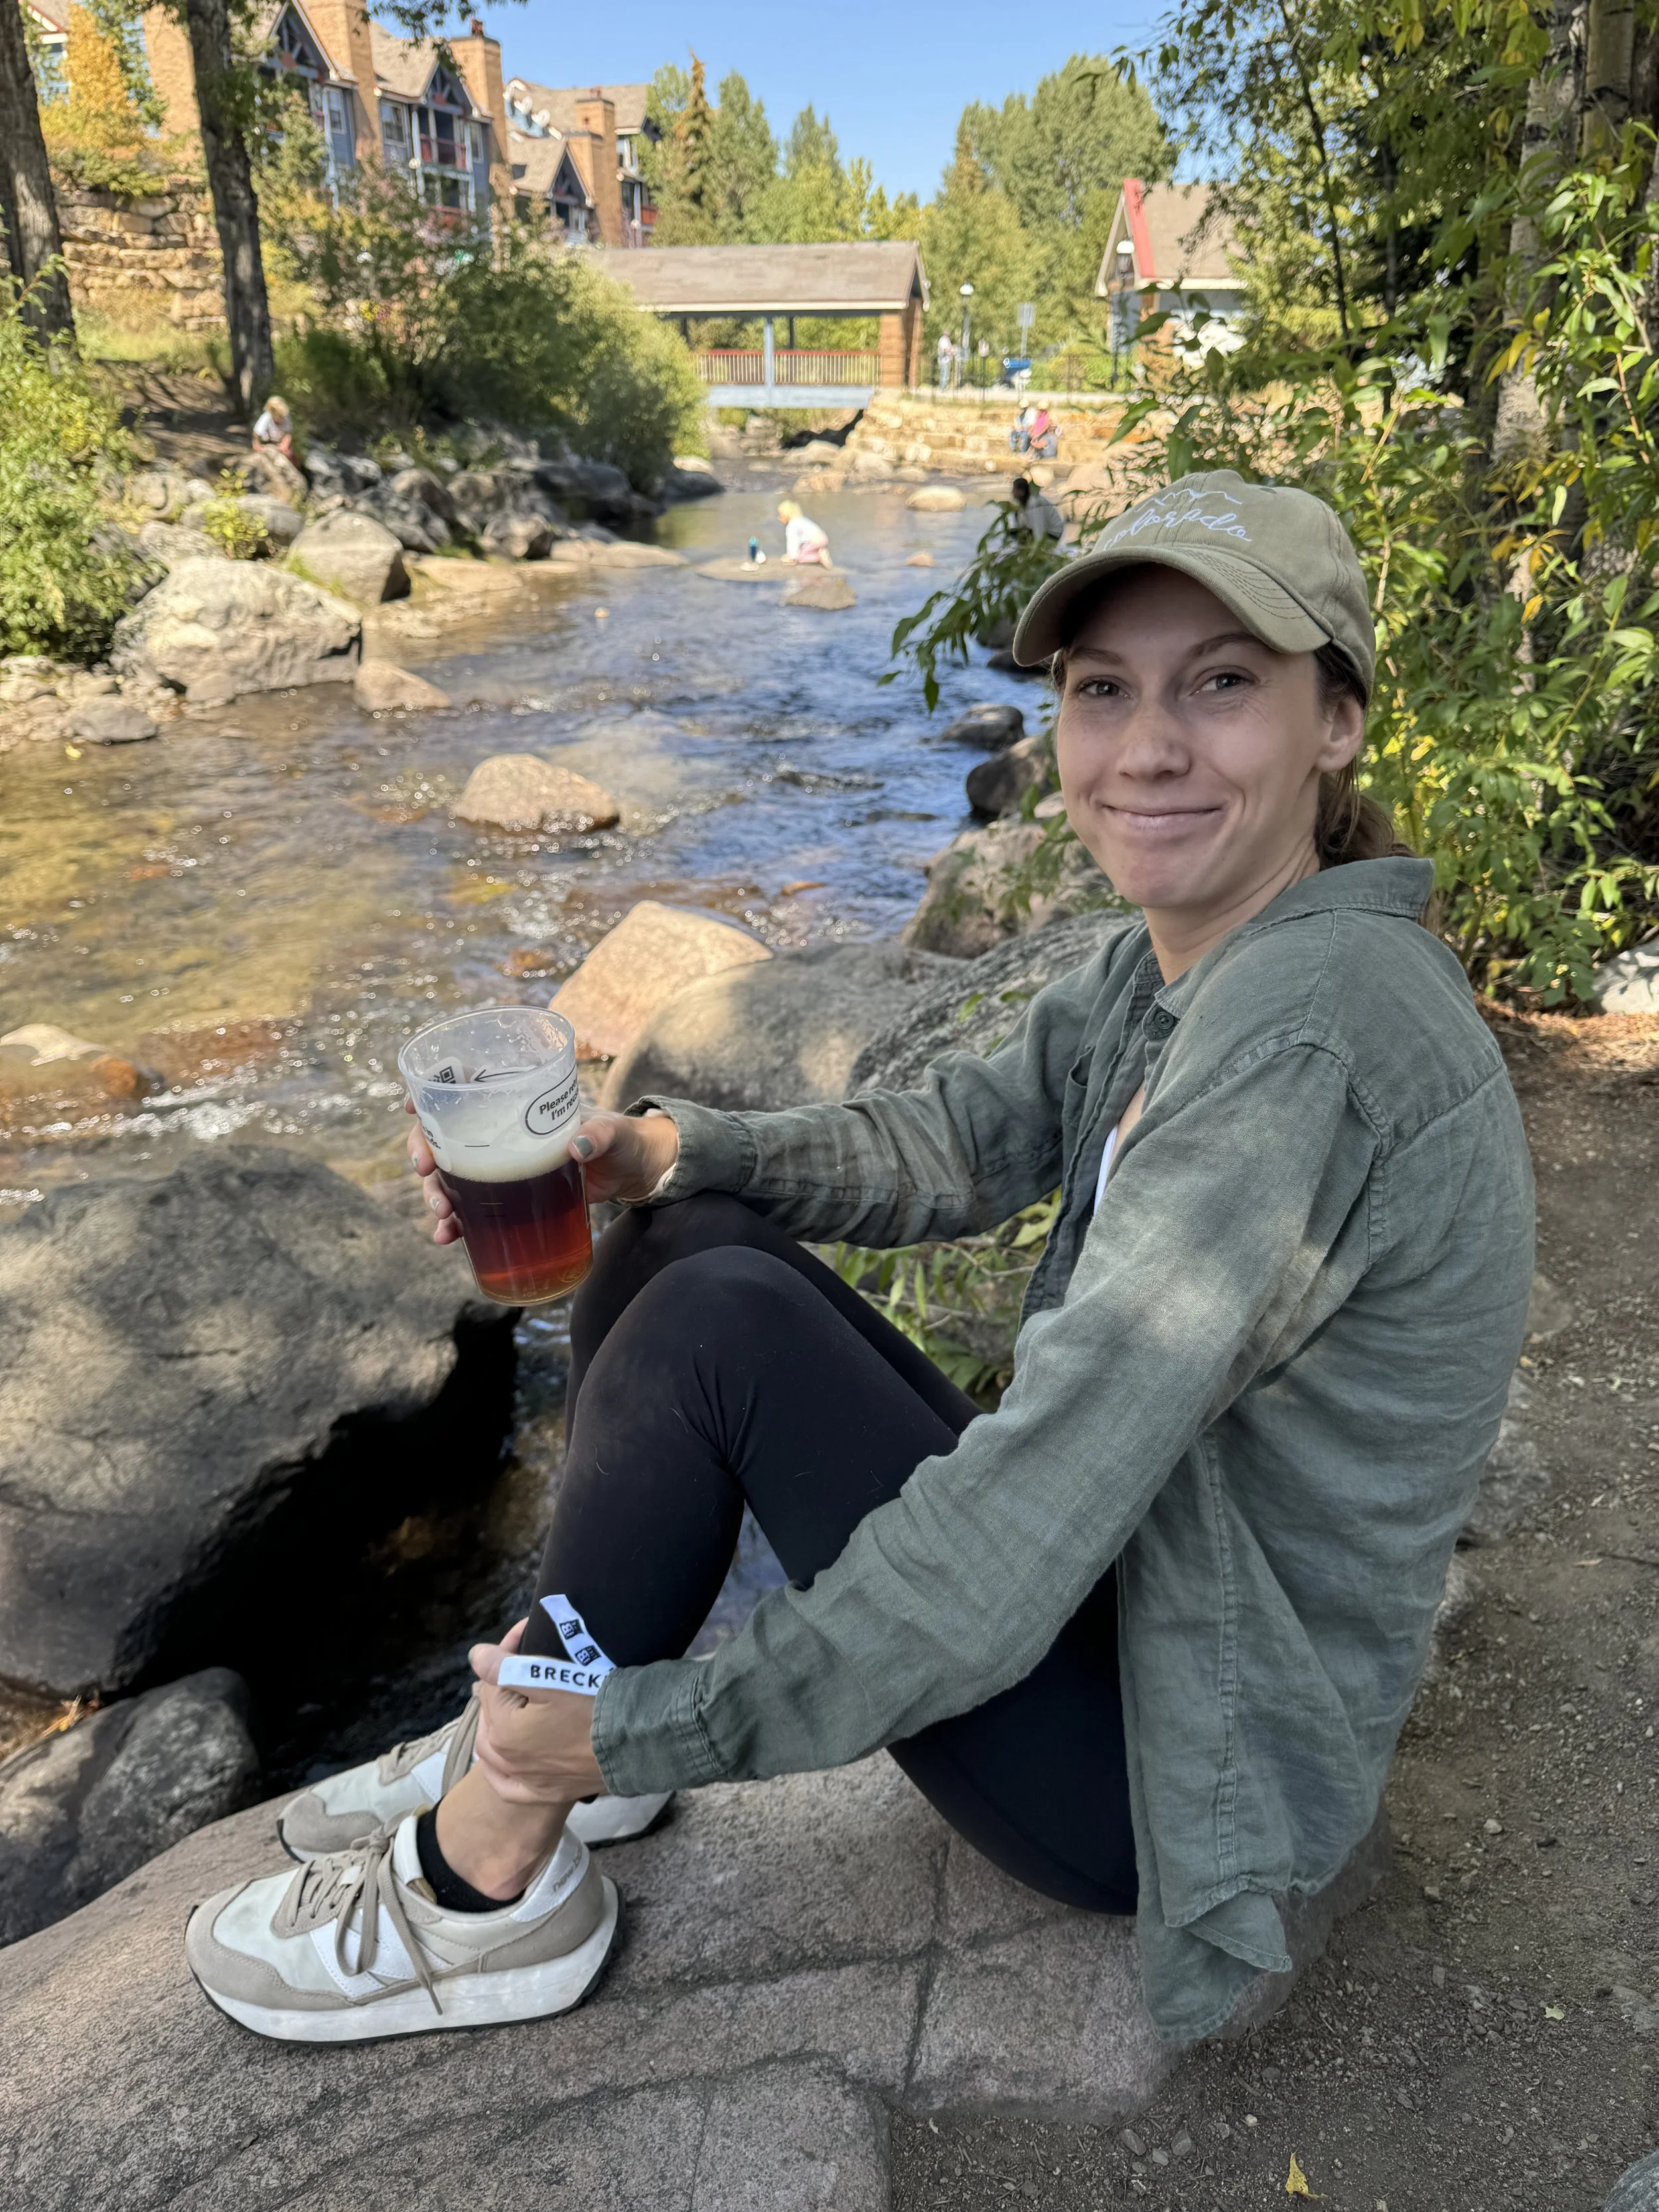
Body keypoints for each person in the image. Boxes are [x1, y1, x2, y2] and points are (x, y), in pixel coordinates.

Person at [186, 469, 1534, 2049]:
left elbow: (1025, 1519)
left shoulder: (1305, 1041)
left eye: (1222, 683)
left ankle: (496, 1865)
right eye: (1106, 691)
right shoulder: (1189, 963)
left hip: (1183, 1772)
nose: (1149, 747)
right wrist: (661, 1151)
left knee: (721, 1333)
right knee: (682, 1236)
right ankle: (534, 1719)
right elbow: (955, 1138)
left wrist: (643, 1734)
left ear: (1338, 722)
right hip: (1144, 1604)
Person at [1010, 473, 1064, 545]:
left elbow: (1039, 528)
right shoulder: (1023, 503)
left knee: (1026, 537)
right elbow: (1022, 524)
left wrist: (1037, 547)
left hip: (1052, 533)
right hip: (1038, 530)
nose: (1012, 493)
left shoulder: (1035, 503)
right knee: (1014, 533)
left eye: (1014, 490)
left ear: (1021, 491)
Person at [776, 498, 830, 567]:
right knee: (804, 549)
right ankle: (818, 551)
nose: (779, 518)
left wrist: (792, 557)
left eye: (780, 515)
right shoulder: (801, 519)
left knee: (801, 557)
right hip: (823, 537)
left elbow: (793, 542)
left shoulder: (792, 526)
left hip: (815, 541)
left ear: (786, 516)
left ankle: (818, 557)